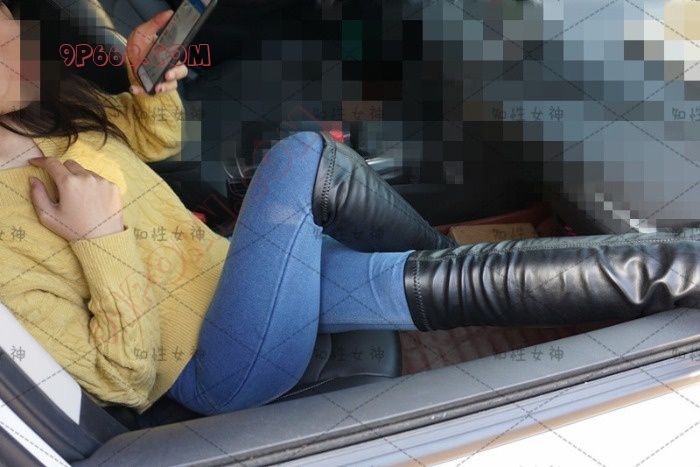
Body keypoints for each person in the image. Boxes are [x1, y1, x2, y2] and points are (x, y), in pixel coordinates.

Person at [1, 2, 698, 418]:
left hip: (227, 276)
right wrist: (101, 238)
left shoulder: (37, 121)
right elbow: (123, 379)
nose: (16, 40)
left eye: (6, 20)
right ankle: (442, 250)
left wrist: (146, 84)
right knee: (300, 160)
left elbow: (153, 146)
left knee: (427, 280)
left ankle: (683, 266)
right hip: (216, 363)